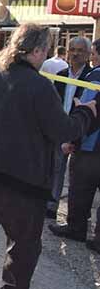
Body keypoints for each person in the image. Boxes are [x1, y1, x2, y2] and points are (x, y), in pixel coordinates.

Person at [0, 23, 97, 289]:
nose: (46, 57)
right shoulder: (39, 86)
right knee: (23, 246)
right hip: (22, 182)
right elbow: (63, 130)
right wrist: (86, 111)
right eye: (45, 51)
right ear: (36, 51)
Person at [50, 38, 100, 253]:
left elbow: (89, 110)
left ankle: (76, 228)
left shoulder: (94, 76)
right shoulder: (65, 74)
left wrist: (73, 140)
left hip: (90, 146)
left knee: (80, 189)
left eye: (93, 53)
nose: (92, 57)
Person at [49, 37, 92, 218]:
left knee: (78, 177)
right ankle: (51, 206)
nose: (75, 54)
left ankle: (76, 217)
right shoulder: (60, 75)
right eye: (72, 49)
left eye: (80, 50)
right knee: (55, 169)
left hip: (82, 132)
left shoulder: (91, 76)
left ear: (88, 54)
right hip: (61, 128)